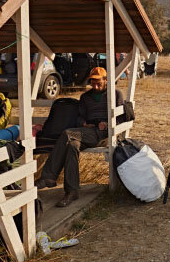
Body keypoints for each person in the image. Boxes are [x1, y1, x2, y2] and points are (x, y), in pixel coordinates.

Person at [35, 67, 124, 207]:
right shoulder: (85, 97)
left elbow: (122, 117)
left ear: (106, 80)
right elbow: (79, 118)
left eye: (98, 82)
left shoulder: (115, 94)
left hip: (103, 134)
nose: (95, 85)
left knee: (67, 133)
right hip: (85, 132)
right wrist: (83, 123)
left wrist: (107, 125)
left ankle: (48, 177)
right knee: (71, 146)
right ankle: (72, 191)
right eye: (92, 82)